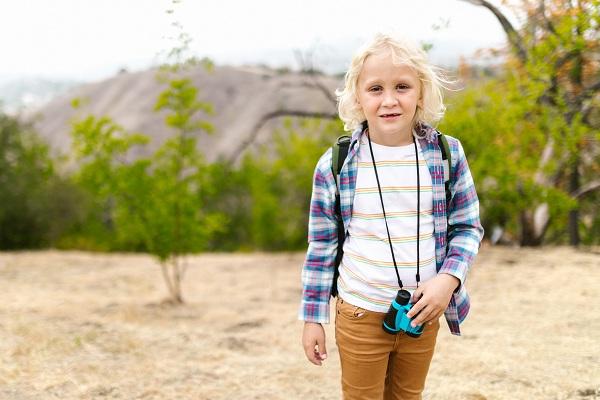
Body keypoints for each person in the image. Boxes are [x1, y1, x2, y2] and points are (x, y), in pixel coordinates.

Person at [298, 32, 484, 400]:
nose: (389, 100)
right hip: (359, 311)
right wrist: (312, 317)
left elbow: (467, 227)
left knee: (407, 396)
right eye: (375, 89)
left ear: (421, 93)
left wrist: (448, 280)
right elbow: (322, 247)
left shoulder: (447, 155)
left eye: (402, 86)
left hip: (422, 311)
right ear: (357, 97)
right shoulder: (336, 165)